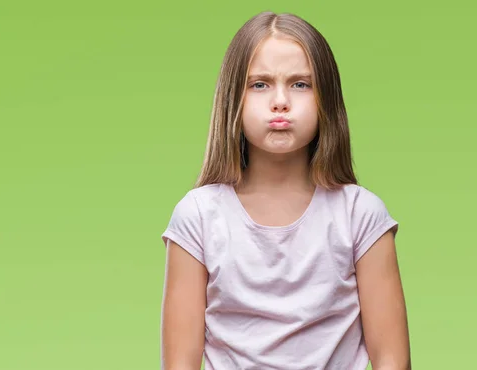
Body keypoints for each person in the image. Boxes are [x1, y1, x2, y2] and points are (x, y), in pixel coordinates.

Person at [159, 11, 411, 370]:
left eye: (300, 84)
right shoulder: (197, 217)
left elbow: (392, 359)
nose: (280, 101)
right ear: (233, 98)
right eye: (259, 84)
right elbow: (179, 363)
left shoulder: (360, 216)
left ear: (327, 99)